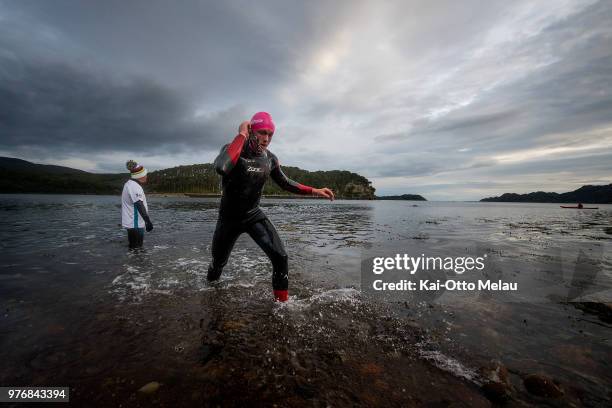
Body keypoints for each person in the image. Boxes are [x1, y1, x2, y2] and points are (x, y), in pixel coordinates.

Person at [208, 112, 335, 302]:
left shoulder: (270, 159)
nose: (266, 139)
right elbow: (222, 167)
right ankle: (209, 295)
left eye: (270, 134)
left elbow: (285, 183)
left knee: (281, 257)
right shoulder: (233, 149)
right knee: (218, 263)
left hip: (253, 215)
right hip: (228, 219)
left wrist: (314, 190)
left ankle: (282, 306)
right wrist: (242, 134)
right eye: (262, 133)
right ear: (252, 131)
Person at [121, 160, 154, 249]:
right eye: (145, 174)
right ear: (140, 176)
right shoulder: (134, 186)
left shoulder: (131, 184)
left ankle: (133, 262)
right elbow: (139, 204)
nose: (146, 176)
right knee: (136, 248)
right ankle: (134, 262)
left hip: (135, 223)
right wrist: (148, 221)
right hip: (134, 224)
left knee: (135, 249)